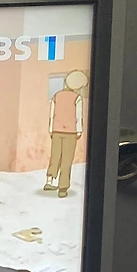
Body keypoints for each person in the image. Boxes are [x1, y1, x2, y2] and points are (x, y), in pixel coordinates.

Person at [46, 70, 87, 198]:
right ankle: (63, 188)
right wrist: (79, 130)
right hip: (70, 132)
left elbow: (52, 115)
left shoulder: (56, 96)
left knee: (55, 156)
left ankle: (49, 180)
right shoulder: (77, 98)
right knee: (67, 159)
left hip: (56, 131)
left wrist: (51, 129)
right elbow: (78, 117)